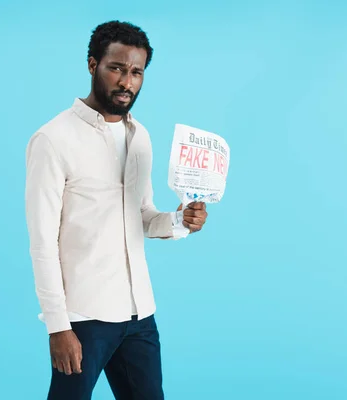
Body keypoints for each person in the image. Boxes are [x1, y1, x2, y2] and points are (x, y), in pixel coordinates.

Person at [24, 20, 208, 399]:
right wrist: (57, 327)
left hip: (139, 314)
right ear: (93, 65)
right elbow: (42, 243)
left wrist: (180, 220)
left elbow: (141, 215)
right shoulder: (53, 139)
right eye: (117, 68)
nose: (127, 82)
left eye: (136, 72)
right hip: (83, 317)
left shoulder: (139, 137)